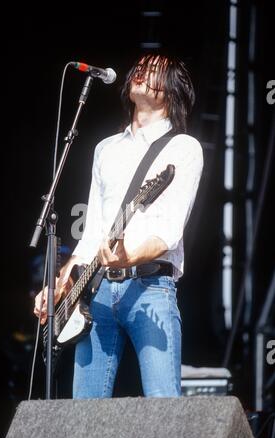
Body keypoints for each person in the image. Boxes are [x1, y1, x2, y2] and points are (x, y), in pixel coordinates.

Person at [34, 52, 203, 398]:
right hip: (95, 292)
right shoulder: (106, 148)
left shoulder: (184, 148)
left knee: (163, 406)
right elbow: (91, 230)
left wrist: (127, 257)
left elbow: (168, 233)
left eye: (154, 70)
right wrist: (62, 286)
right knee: (86, 413)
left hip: (151, 289)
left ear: (171, 90)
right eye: (139, 67)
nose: (141, 71)